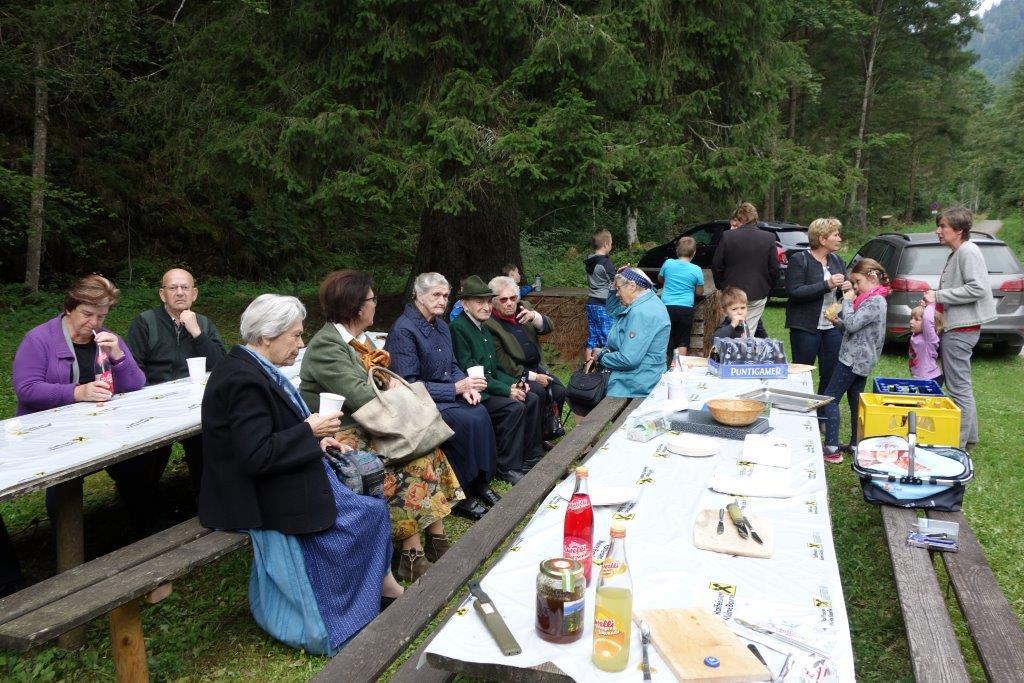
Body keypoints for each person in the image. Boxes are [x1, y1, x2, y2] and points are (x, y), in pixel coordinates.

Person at [198, 294, 402, 656]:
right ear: (266, 336)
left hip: (271, 476)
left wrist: (318, 442)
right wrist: (309, 430)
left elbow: (270, 435)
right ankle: (342, 609)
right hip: (249, 492)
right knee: (365, 515)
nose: (301, 343)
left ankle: (379, 588)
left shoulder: (252, 367)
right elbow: (256, 456)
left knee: (369, 497)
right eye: (294, 335)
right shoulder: (242, 380)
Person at [299, 270, 463, 582]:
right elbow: (363, 397)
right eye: (372, 299)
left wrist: (387, 384)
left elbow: (378, 385)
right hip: (338, 432)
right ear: (356, 306)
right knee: (406, 461)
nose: (376, 304)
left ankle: (436, 538)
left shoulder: (361, 342)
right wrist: (389, 386)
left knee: (427, 447)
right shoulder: (326, 346)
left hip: (367, 424)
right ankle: (411, 554)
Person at [12, 275, 152, 528]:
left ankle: (140, 526)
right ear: (69, 308)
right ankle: (64, 538)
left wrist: (118, 355)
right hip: (50, 431)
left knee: (135, 465)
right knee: (65, 480)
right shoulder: (39, 339)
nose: (94, 323)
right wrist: (77, 393)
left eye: (101, 316)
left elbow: (135, 383)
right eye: (87, 314)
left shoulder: (106, 337)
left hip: (100, 425)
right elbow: (27, 389)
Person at [385, 273, 499, 521]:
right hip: (420, 402)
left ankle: (480, 481)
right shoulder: (404, 330)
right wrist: (455, 389)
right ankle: (461, 494)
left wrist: (466, 387)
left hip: (446, 392)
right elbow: (408, 385)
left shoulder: (441, 326)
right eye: (436, 295)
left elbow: (453, 364)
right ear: (419, 295)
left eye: (446, 296)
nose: (442, 300)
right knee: (465, 420)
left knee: (480, 411)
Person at [126, 268, 227, 493]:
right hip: (153, 407)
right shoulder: (145, 322)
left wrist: (197, 333)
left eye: (185, 287)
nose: (180, 292)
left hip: (197, 405)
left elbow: (222, 366)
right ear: (162, 294)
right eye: (173, 288)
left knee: (206, 446)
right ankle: (142, 502)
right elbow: (133, 369)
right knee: (146, 461)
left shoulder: (204, 324)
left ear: (194, 293)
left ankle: (207, 498)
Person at [450, 276, 545, 482]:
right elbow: (473, 373)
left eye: (487, 301)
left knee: (531, 398)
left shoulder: (482, 326)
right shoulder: (459, 328)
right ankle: (507, 466)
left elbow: (495, 369)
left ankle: (529, 456)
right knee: (513, 408)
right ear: (465, 304)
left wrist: (514, 383)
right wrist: (506, 390)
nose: (486, 307)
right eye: (479, 302)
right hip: (476, 392)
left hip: (488, 385)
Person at [922, 207, 996, 448]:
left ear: (959, 231)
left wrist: (939, 296)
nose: (938, 231)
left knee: (958, 388)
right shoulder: (958, 252)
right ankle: (970, 438)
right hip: (957, 327)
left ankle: (958, 445)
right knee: (960, 384)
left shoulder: (968, 251)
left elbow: (978, 288)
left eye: (943, 226)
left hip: (961, 329)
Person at [821, 258, 890, 464]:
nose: (856, 287)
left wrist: (848, 300)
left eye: (858, 282)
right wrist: (837, 321)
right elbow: (853, 329)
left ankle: (832, 449)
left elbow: (852, 325)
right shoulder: (871, 299)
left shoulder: (875, 301)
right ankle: (854, 444)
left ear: (872, 277)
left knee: (830, 398)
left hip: (853, 360)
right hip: (861, 359)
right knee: (854, 402)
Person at [486, 275, 566, 444]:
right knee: (538, 392)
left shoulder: (524, 308)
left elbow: (549, 327)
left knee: (559, 390)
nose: (510, 303)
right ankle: (533, 442)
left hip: (537, 366)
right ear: (493, 301)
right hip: (516, 374)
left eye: (513, 298)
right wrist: (535, 377)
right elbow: (505, 364)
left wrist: (534, 317)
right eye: (503, 299)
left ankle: (547, 432)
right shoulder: (490, 324)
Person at [784, 217, 848, 403]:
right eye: (835, 235)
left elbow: (842, 291)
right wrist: (827, 284)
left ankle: (823, 412)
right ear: (822, 239)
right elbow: (795, 292)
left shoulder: (837, 260)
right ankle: (800, 409)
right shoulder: (799, 259)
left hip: (832, 326)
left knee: (830, 371)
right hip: (805, 327)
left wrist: (847, 286)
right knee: (802, 372)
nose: (839, 238)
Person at [591, 267, 670, 400]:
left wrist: (601, 356)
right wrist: (614, 285)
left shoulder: (641, 313)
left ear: (632, 286)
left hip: (634, 384)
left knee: (581, 396)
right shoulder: (648, 301)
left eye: (618, 289)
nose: (617, 294)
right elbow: (612, 310)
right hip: (642, 378)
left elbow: (628, 360)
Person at [711, 202, 779, 334]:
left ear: (740, 218)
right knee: (749, 331)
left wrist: (722, 286)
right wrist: (768, 287)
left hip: (732, 292)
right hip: (757, 292)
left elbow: (717, 265)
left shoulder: (728, 236)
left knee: (732, 327)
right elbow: (774, 269)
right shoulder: (768, 238)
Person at [658, 236, 704, 358]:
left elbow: (660, 279)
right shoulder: (697, 269)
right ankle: (680, 366)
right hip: (685, 308)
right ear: (694, 253)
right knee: (682, 340)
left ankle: (663, 364)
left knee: (666, 337)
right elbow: (699, 292)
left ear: (677, 250)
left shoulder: (668, 263)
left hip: (666, 306)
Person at [585, 229, 616, 361]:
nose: (611, 246)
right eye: (611, 243)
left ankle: (587, 369)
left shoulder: (589, 261)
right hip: (604, 305)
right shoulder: (605, 263)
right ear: (606, 244)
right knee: (607, 338)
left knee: (592, 338)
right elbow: (616, 283)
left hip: (591, 303)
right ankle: (606, 369)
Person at [909, 302, 943, 386]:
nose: (911, 321)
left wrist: (930, 305)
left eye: (916, 319)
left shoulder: (929, 338)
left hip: (931, 379)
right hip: (920, 377)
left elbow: (928, 320)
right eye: (911, 318)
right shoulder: (915, 334)